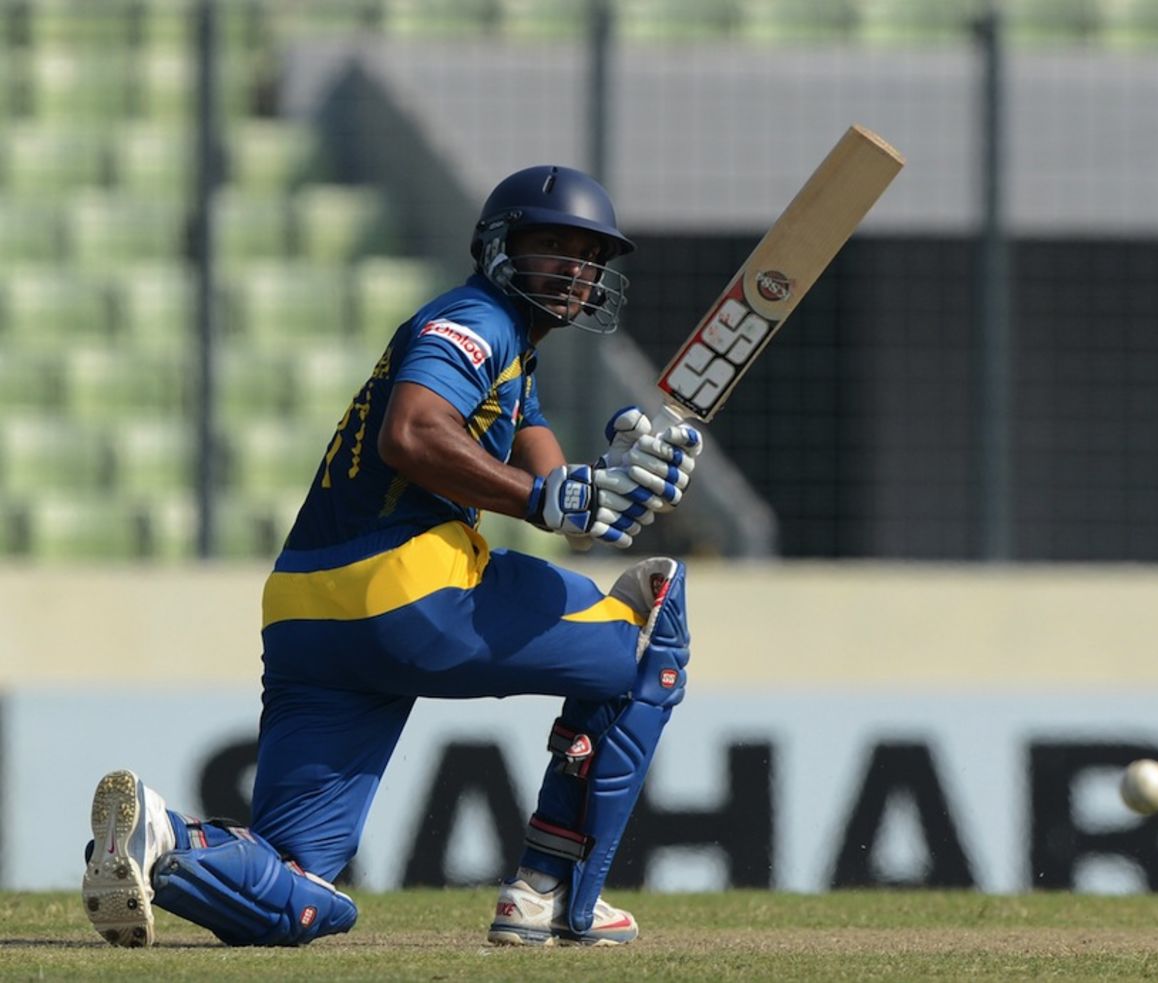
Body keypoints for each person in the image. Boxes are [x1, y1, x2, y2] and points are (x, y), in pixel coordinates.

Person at [80, 165, 703, 948]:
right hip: (408, 587)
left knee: (302, 890)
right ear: (499, 247)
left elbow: (564, 506)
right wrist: (556, 499)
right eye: (553, 245)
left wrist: (616, 480)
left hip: (309, 613)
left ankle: (160, 837)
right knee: (649, 640)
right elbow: (410, 433)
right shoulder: (475, 321)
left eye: (588, 254)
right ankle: (550, 891)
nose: (575, 269)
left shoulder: (515, 361)